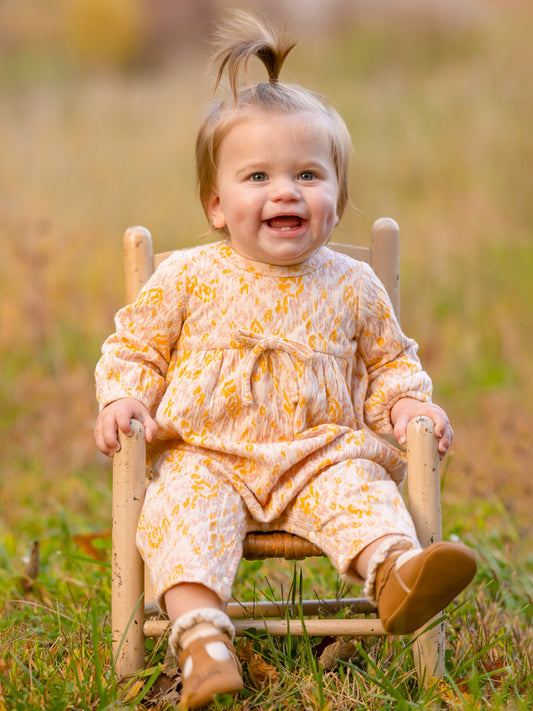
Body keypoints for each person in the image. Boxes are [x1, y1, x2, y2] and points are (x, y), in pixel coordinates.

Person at [95, 11, 476, 709]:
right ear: (216, 203)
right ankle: (203, 638)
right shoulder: (186, 276)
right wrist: (124, 397)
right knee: (181, 508)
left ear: (337, 198)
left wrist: (407, 403)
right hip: (207, 452)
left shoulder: (354, 284)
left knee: (360, 489)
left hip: (318, 453)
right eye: (257, 176)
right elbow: (136, 347)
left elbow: (389, 361)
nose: (285, 191)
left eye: (308, 174)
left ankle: (396, 575)